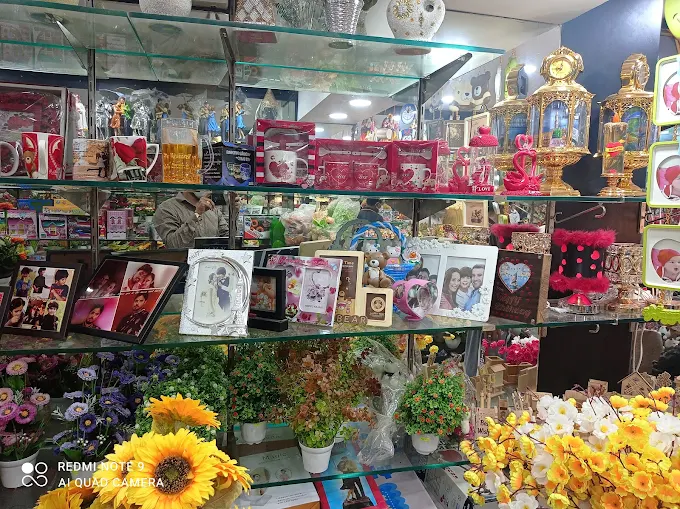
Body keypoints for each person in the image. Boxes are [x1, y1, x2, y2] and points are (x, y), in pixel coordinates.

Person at [153, 191, 229, 248]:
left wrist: (233, 209)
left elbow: (226, 237)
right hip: (182, 263)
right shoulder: (166, 208)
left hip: (214, 262)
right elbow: (173, 245)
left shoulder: (212, 208)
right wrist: (197, 214)